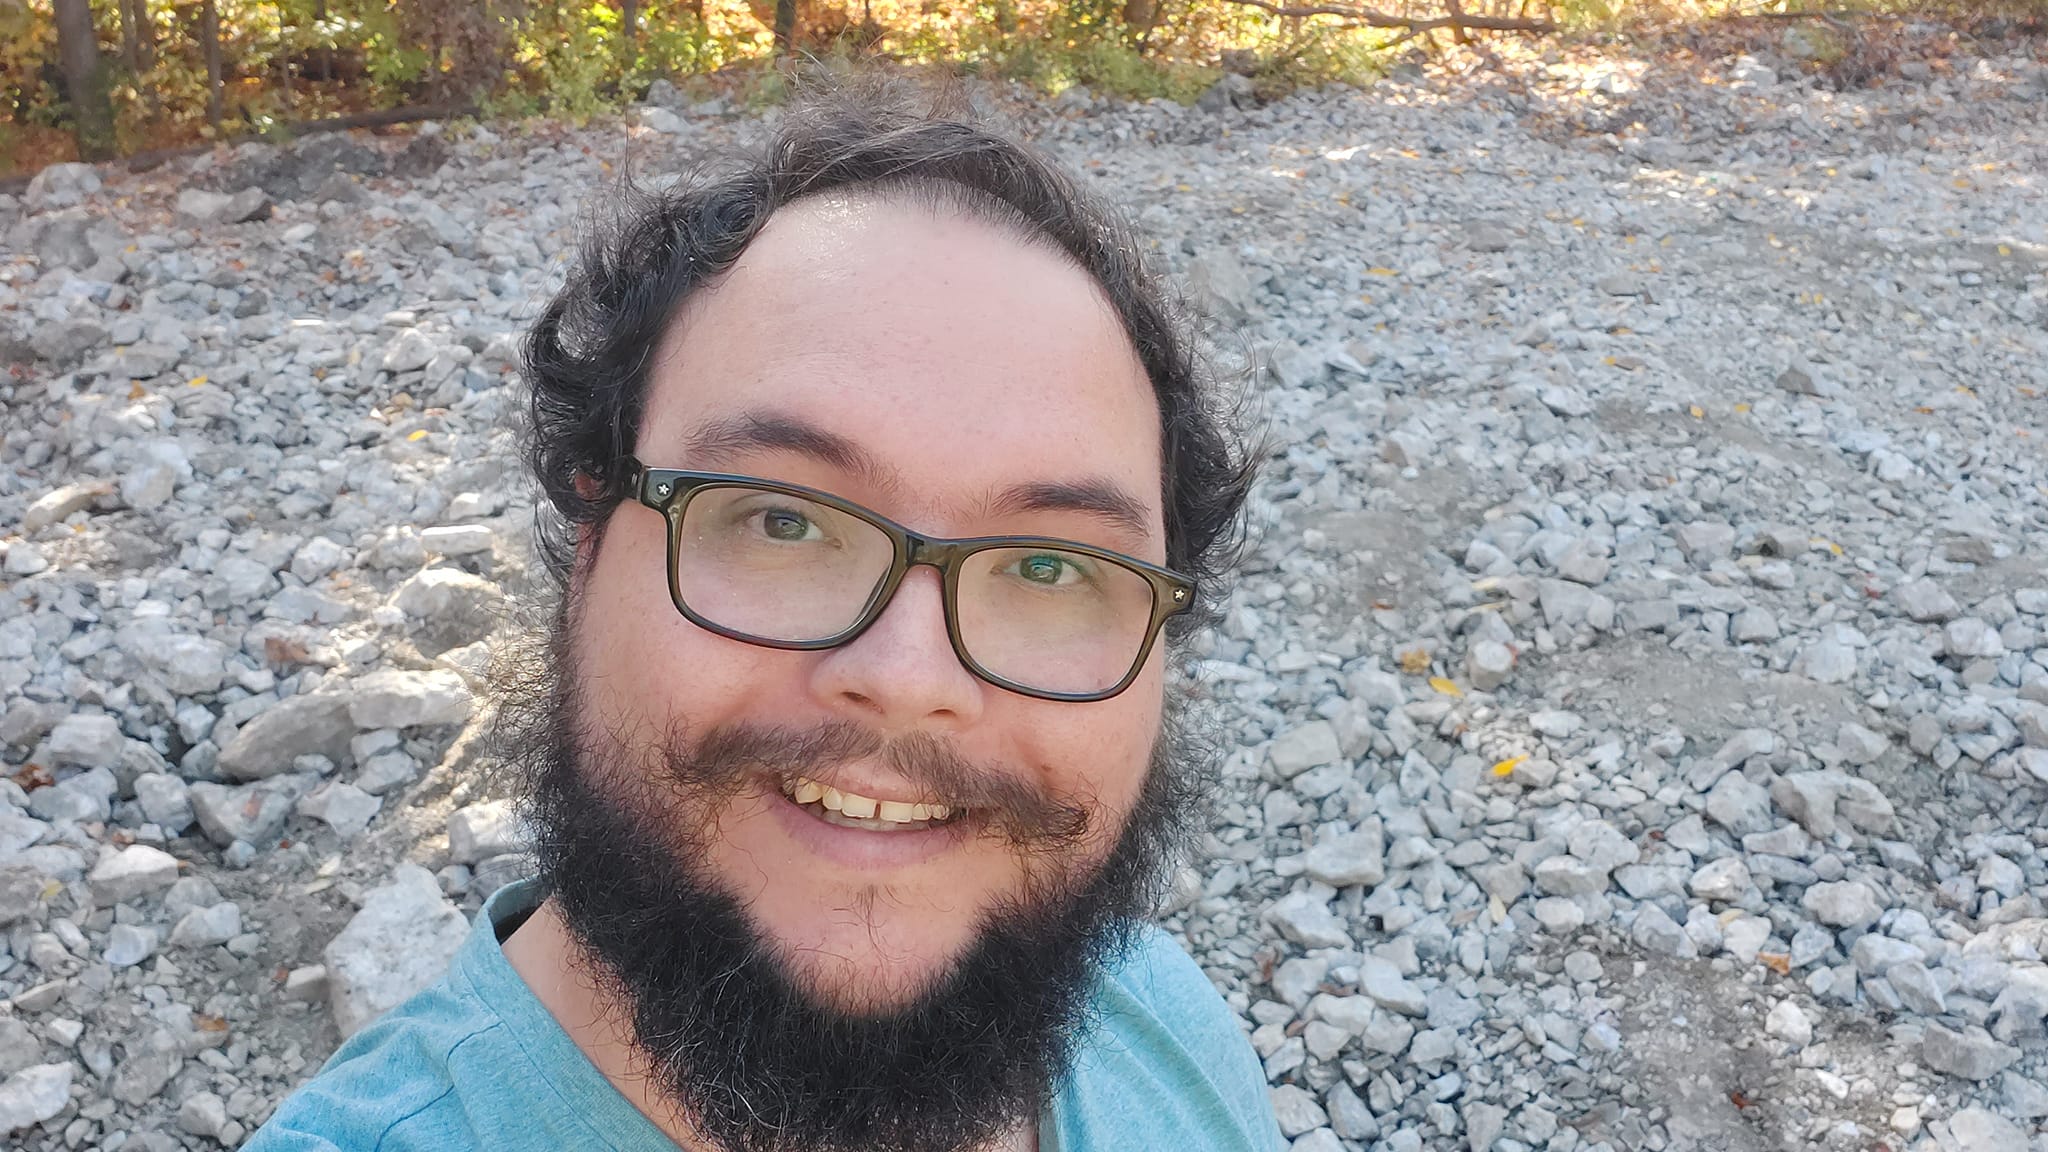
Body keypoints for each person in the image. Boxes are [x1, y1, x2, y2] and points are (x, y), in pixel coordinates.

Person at [247, 78, 1279, 1152]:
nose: (909, 676)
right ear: (589, 547)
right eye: (781, 523)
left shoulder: (1155, 1020)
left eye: (1050, 569)